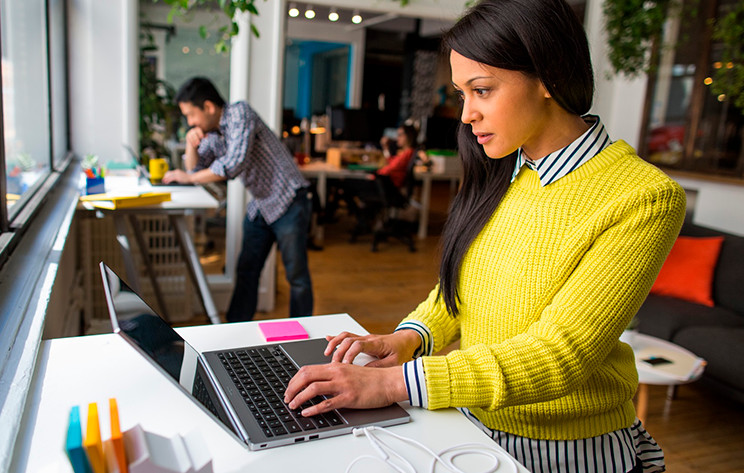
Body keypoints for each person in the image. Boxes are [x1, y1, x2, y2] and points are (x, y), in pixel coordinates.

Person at [284, 0, 685, 471]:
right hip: (472, 427)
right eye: (461, 95)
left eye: (482, 90)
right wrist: (410, 338)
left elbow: (561, 354)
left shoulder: (644, 196)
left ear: (548, 77)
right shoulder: (507, 169)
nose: (466, 114)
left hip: (564, 452)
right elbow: (466, 286)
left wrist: (392, 384)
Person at [162, 77, 313, 323]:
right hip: (262, 205)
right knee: (246, 271)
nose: (190, 122)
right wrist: (191, 144)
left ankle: (303, 334)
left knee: (296, 276)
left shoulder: (239, 114)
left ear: (208, 107)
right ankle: (234, 332)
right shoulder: (212, 134)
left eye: (191, 115)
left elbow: (233, 164)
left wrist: (190, 179)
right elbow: (194, 170)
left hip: (290, 199)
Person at [377, 124, 417, 189]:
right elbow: (390, 162)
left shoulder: (408, 152)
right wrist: (386, 148)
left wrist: (375, 174)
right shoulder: (403, 152)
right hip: (387, 184)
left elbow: (391, 168)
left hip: (391, 187)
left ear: (409, 136)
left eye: (400, 135)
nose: (397, 138)